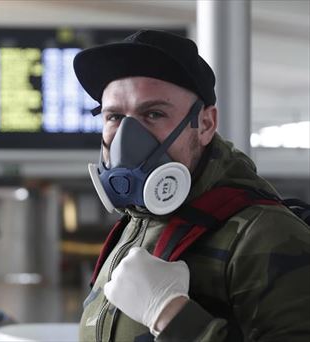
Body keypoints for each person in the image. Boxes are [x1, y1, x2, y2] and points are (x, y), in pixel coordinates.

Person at [73, 30, 310, 341]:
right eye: (115, 116)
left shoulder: (264, 233)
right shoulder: (136, 222)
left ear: (206, 124)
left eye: (154, 113)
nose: (126, 138)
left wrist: (170, 314)